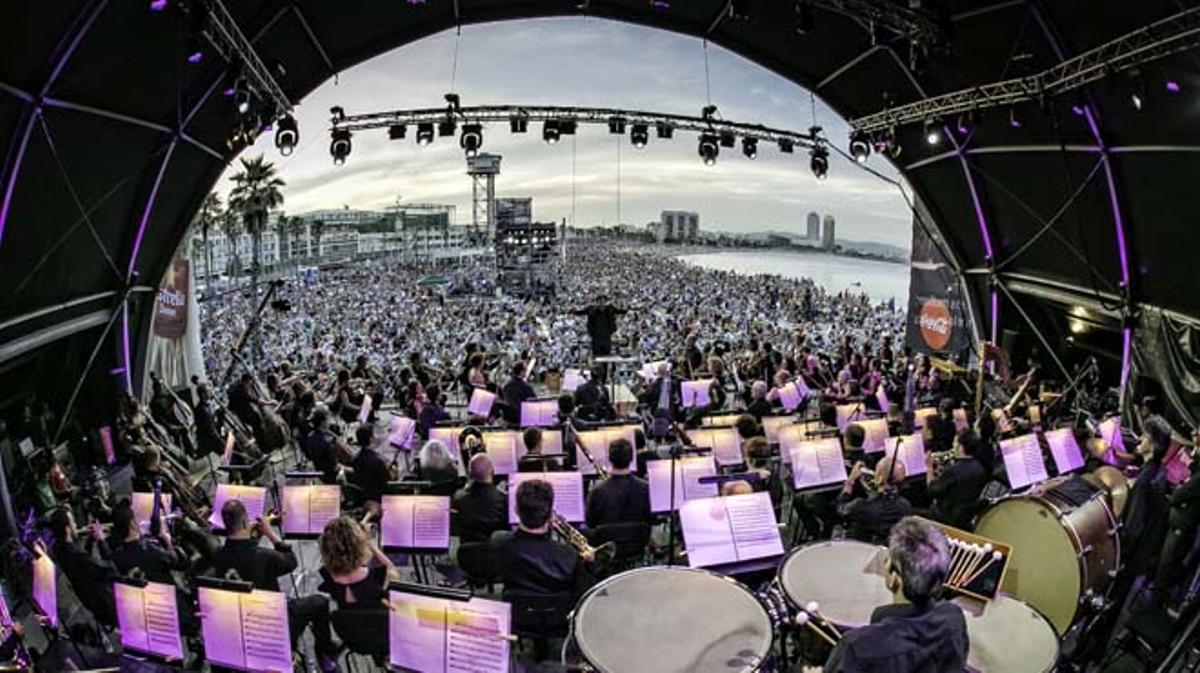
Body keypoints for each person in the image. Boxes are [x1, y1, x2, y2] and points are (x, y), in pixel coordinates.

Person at [824, 517, 968, 673]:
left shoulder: (856, 647)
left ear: (894, 579)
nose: (884, 562)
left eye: (887, 559)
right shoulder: (954, 618)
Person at [212, 500, 341, 672]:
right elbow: (291, 562)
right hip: (273, 622)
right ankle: (325, 652)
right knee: (320, 602)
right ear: (244, 522)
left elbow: (242, 552)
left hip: (240, 621)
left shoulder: (218, 556)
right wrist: (272, 534)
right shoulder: (264, 557)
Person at [494, 479, 591, 596]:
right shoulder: (569, 555)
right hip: (559, 613)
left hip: (516, 611)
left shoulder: (499, 543)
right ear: (550, 514)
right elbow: (583, 595)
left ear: (516, 510)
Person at [46, 508, 118, 627]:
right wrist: (101, 541)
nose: (76, 525)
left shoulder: (59, 550)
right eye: (73, 522)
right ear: (67, 529)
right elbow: (111, 570)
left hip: (90, 601)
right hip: (106, 605)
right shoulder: (78, 556)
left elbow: (86, 564)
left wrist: (90, 541)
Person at [317, 516, 399, 610]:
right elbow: (392, 570)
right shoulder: (376, 577)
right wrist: (371, 545)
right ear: (359, 545)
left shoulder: (328, 576)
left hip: (346, 624)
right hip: (375, 623)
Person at [837, 455, 913, 544]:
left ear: (879, 478)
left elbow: (840, 509)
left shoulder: (861, 506)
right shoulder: (905, 505)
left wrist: (850, 481)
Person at [926, 430, 989, 529]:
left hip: (947, 518)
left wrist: (929, 467)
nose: (952, 444)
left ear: (960, 447)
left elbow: (931, 490)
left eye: (955, 442)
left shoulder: (952, 471)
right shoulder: (980, 467)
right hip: (966, 517)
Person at [585, 438, 650, 528]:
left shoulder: (596, 492)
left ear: (610, 459)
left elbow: (590, 523)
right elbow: (650, 519)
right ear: (631, 458)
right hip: (637, 541)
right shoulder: (645, 488)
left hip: (606, 541)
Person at [452, 454, 509, 543]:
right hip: (495, 552)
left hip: (468, 552)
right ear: (492, 472)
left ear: (470, 474)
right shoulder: (503, 499)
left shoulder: (458, 498)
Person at [344, 424, 392, 512]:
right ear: (371, 439)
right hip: (377, 498)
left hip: (363, 495)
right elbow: (387, 482)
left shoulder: (355, 459)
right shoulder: (378, 461)